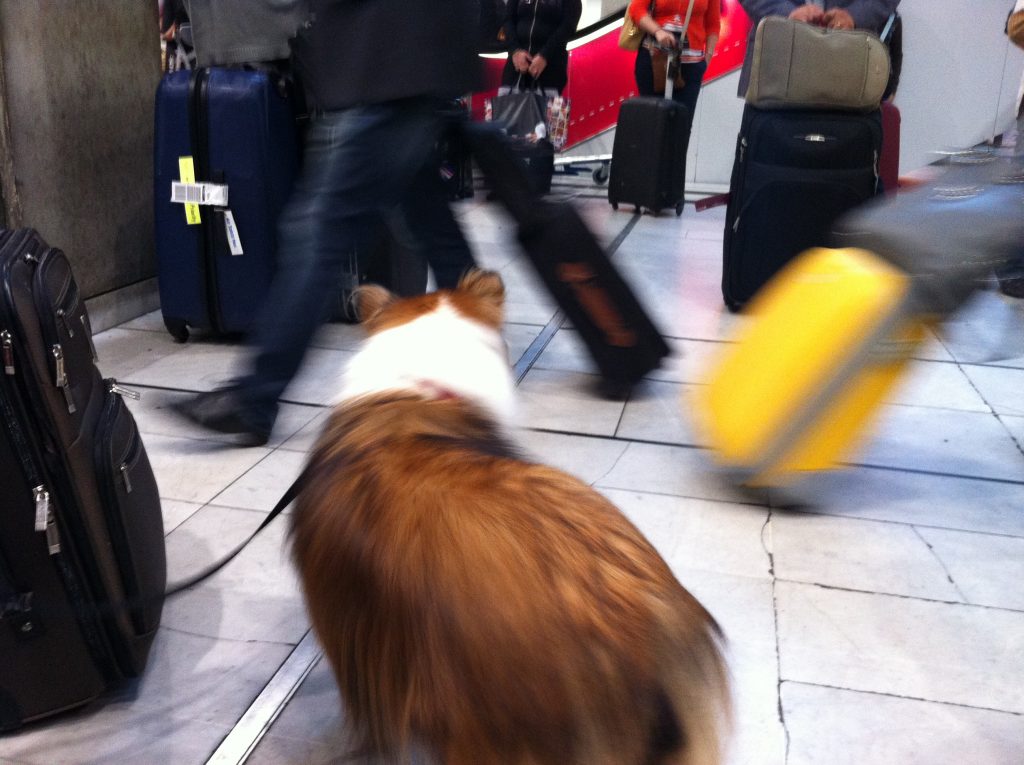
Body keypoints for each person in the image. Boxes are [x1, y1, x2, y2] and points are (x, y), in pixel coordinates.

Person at [173, 0, 482, 445]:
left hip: (390, 61)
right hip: (403, 60)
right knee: (431, 223)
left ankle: (255, 398)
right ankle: (481, 344)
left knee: (317, 232)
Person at [736, 1, 901, 96]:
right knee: (768, 151)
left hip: (850, 59)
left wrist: (854, 16)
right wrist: (786, 13)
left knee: (845, 151)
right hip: (778, 58)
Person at [628, 0, 720, 119]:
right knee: (650, 123)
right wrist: (657, 31)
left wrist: (707, 58)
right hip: (654, 60)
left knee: (681, 126)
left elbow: (713, 24)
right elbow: (636, 9)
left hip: (691, 66)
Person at [500, 0, 583, 96]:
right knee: (508, 109)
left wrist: (545, 55)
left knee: (546, 109)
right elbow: (507, 19)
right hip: (516, 67)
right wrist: (515, 50)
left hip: (550, 67)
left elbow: (569, 25)